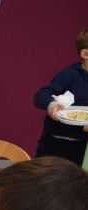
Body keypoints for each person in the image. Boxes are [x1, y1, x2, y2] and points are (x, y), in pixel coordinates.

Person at [33, 27, 88, 166]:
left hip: (84, 147)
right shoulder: (69, 74)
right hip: (56, 143)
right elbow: (41, 95)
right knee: (45, 182)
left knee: (77, 184)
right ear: (85, 53)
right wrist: (53, 105)